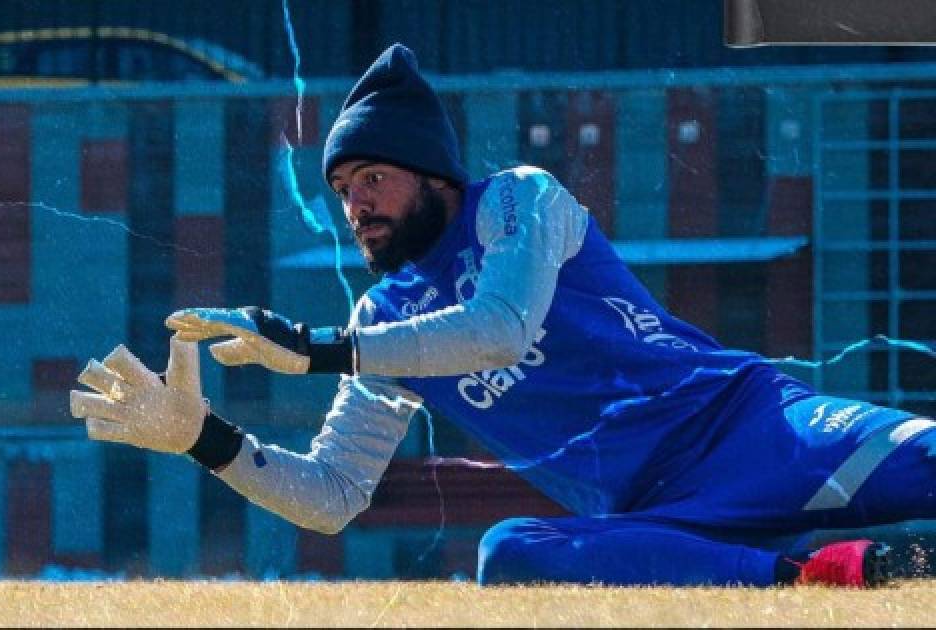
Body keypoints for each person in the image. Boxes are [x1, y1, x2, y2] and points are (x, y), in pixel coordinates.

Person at [70, 43, 935, 587]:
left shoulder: (518, 202)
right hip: (659, 518)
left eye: (373, 178)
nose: (355, 205)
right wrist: (202, 438)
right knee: (507, 553)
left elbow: (501, 326)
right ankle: (827, 572)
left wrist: (314, 350)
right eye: (341, 189)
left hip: (755, 431)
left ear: (433, 174)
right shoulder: (387, 313)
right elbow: (332, 497)